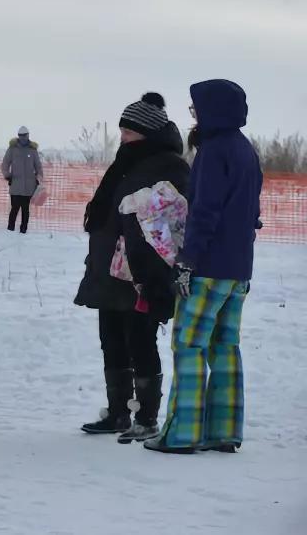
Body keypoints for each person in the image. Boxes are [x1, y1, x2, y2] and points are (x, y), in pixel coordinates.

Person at [145, 80, 263, 455]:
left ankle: (181, 434)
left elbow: (205, 212)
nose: (193, 114)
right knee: (225, 346)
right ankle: (224, 430)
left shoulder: (213, 152)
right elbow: (252, 213)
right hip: (238, 269)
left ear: (213, 110)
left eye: (196, 108)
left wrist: (187, 260)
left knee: (189, 344)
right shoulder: (245, 150)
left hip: (208, 268)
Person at [75, 93, 189, 443]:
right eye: (122, 129)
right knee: (111, 339)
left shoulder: (171, 165)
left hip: (143, 271)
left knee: (140, 340)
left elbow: (172, 216)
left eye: (129, 130)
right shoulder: (125, 162)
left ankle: (147, 417)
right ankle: (118, 411)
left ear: (147, 133)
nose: (122, 136)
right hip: (109, 267)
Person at [1, 126, 43, 233]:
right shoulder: (12, 149)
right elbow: (5, 164)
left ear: (28, 135)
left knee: (25, 210)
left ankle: (23, 231)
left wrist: (39, 178)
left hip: (29, 187)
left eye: (25, 135)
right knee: (14, 208)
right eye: (21, 136)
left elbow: (38, 167)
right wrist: (7, 175)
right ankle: (10, 230)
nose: (23, 138)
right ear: (18, 136)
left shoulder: (32, 150)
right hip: (15, 185)